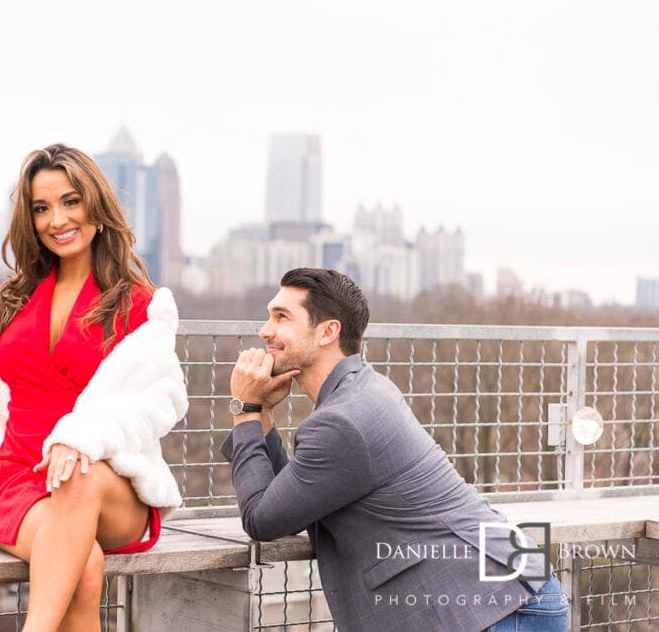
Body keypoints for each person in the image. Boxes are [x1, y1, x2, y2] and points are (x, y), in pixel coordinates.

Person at [222, 268, 569, 631]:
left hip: (496, 606)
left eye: (282, 317)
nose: (266, 330)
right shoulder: (361, 394)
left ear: (328, 331)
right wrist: (260, 411)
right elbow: (285, 503)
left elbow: (261, 519)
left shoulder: (343, 421)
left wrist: (244, 407)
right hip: (505, 594)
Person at [0, 143, 187, 631]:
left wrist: (81, 436)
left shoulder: (138, 304)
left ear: (95, 206)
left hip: (106, 485)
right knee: (82, 566)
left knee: (78, 473)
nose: (57, 219)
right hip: (20, 477)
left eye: (70, 201)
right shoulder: (14, 301)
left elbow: (162, 399)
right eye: (41, 208)